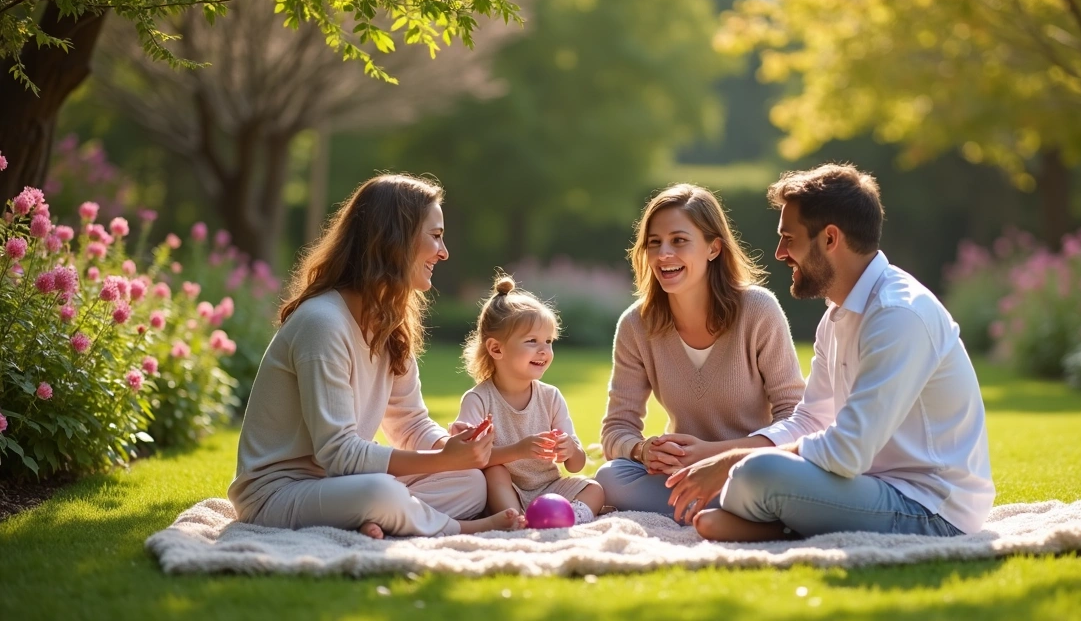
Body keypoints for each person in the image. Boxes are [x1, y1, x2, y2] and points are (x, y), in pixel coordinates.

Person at [665, 163, 995, 541]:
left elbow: (847, 451)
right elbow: (810, 419)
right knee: (750, 472)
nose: (780, 253)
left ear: (830, 238)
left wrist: (735, 462)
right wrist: (725, 457)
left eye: (788, 238)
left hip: (930, 507)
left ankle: (779, 524)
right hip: (869, 486)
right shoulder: (837, 316)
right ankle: (778, 521)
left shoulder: (898, 314)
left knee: (757, 473)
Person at [228, 174, 526, 540]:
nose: (443, 252)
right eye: (435, 236)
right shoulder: (322, 323)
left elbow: (411, 425)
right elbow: (339, 454)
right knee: (380, 492)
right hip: (277, 495)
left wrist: (454, 450)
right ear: (394, 240)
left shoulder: (390, 324)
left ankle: (378, 518)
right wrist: (441, 460)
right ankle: (456, 526)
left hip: (340, 485)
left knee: (469, 482)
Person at [595, 184, 807, 517]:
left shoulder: (758, 310)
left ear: (713, 248)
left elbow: (795, 416)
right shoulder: (636, 325)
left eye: (679, 240)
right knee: (610, 477)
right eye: (654, 243)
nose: (663, 254)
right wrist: (642, 450)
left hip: (749, 468)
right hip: (682, 474)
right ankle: (733, 512)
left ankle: (713, 507)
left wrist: (715, 454)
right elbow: (616, 428)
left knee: (774, 478)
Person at [456, 274, 605, 524]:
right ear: (496, 349)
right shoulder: (478, 400)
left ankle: (570, 519)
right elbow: (467, 458)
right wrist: (518, 450)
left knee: (595, 489)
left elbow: (576, 465)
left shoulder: (550, 397)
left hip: (549, 486)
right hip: (506, 490)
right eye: (532, 341)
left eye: (548, 341)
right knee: (495, 472)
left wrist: (569, 449)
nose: (544, 350)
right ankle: (517, 520)